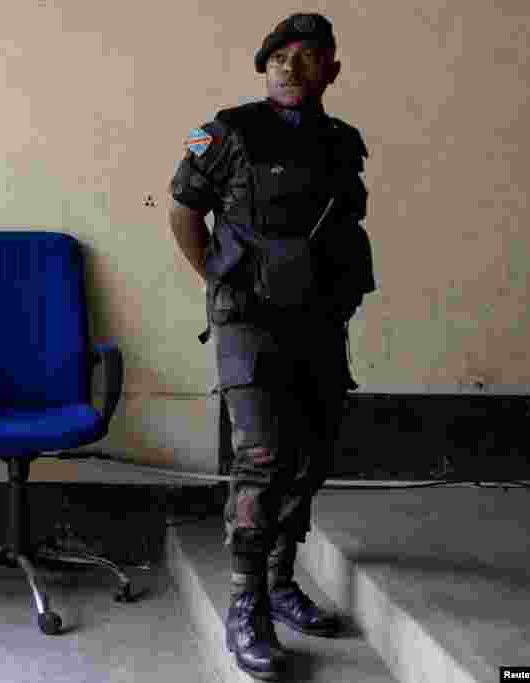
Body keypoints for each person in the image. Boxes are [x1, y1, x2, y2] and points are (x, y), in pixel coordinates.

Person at [168, 13, 375, 680]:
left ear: (332, 70)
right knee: (261, 452)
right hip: (247, 321)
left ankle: (282, 579)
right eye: (277, 56)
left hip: (316, 322)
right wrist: (221, 285)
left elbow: (346, 227)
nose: (289, 67)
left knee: (310, 455)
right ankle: (245, 603)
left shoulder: (343, 143)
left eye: (306, 56)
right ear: (263, 67)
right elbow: (182, 211)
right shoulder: (224, 131)